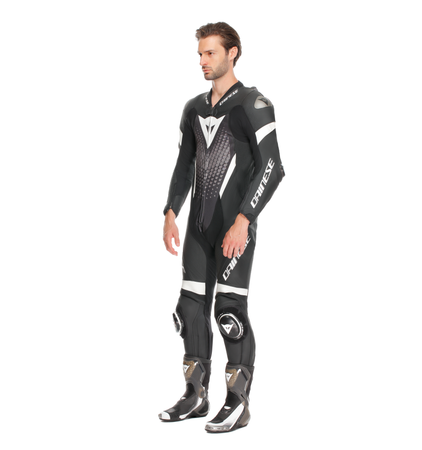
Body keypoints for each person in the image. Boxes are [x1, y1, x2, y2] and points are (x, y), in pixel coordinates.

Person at [159, 22, 285, 433]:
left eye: (210, 53)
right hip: (198, 226)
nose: (202, 60)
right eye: (200, 53)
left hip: (234, 227)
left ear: (233, 53)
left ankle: (238, 402)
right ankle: (195, 395)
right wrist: (170, 212)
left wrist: (244, 220)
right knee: (189, 309)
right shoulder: (193, 108)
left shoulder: (253, 104)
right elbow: (184, 164)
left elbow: (272, 166)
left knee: (229, 311)